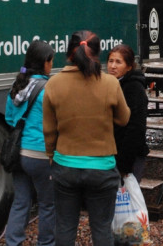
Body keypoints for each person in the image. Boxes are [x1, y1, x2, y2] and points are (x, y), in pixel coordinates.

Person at [42, 30, 131, 246]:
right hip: (102, 168)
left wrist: (52, 156)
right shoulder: (110, 83)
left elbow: (49, 131)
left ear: (68, 53)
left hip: (65, 166)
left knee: (64, 227)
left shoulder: (53, 84)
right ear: (98, 53)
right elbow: (124, 118)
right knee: (101, 229)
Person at [4, 40, 56, 246]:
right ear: (44, 62)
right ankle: (46, 243)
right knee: (48, 205)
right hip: (41, 154)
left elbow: (9, 119)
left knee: (20, 202)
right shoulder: (49, 89)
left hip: (19, 154)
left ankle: (13, 242)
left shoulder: (17, 86)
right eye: (51, 61)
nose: (52, 65)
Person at [107, 44, 150, 183]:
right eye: (110, 61)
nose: (113, 66)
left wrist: (123, 165)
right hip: (112, 154)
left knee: (127, 200)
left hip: (129, 157)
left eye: (118, 62)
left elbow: (136, 128)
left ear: (129, 66)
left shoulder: (134, 88)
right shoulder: (110, 84)